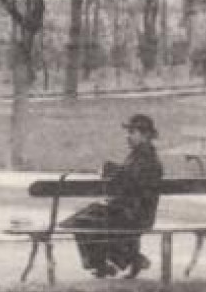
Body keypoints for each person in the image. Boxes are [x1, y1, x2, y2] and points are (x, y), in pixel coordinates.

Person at [60, 113, 164, 278]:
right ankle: (125, 259)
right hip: (135, 213)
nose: (127, 137)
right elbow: (129, 177)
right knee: (86, 217)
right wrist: (112, 171)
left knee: (81, 221)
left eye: (132, 132)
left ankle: (117, 260)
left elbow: (131, 182)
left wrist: (109, 171)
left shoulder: (144, 157)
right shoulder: (143, 155)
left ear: (145, 135)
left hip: (132, 215)